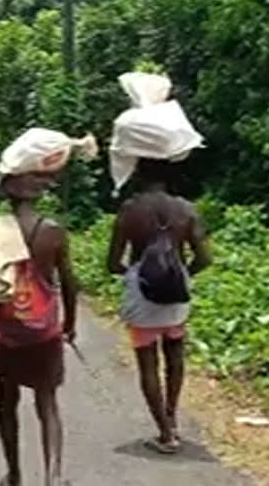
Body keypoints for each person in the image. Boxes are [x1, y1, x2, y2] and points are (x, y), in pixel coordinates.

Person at [0, 128, 93, 486]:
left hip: (8, 333)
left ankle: (14, 475)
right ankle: (53, 477)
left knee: (8, 403)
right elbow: (70, 283)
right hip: (44, 330)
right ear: (40, 190)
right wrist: (69, 324)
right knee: (48, 404)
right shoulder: (53, 231)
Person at [108, 158, 211, 454]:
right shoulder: (186, 209)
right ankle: (172, 417)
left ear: (138, 175)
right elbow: (205, 257)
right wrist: (181, 276)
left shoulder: (130, 210)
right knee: (175, 356)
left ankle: (165, 434)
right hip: (176, 293)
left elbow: (113, 262)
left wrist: (134, 274)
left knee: (148, 362)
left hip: (143, 294)